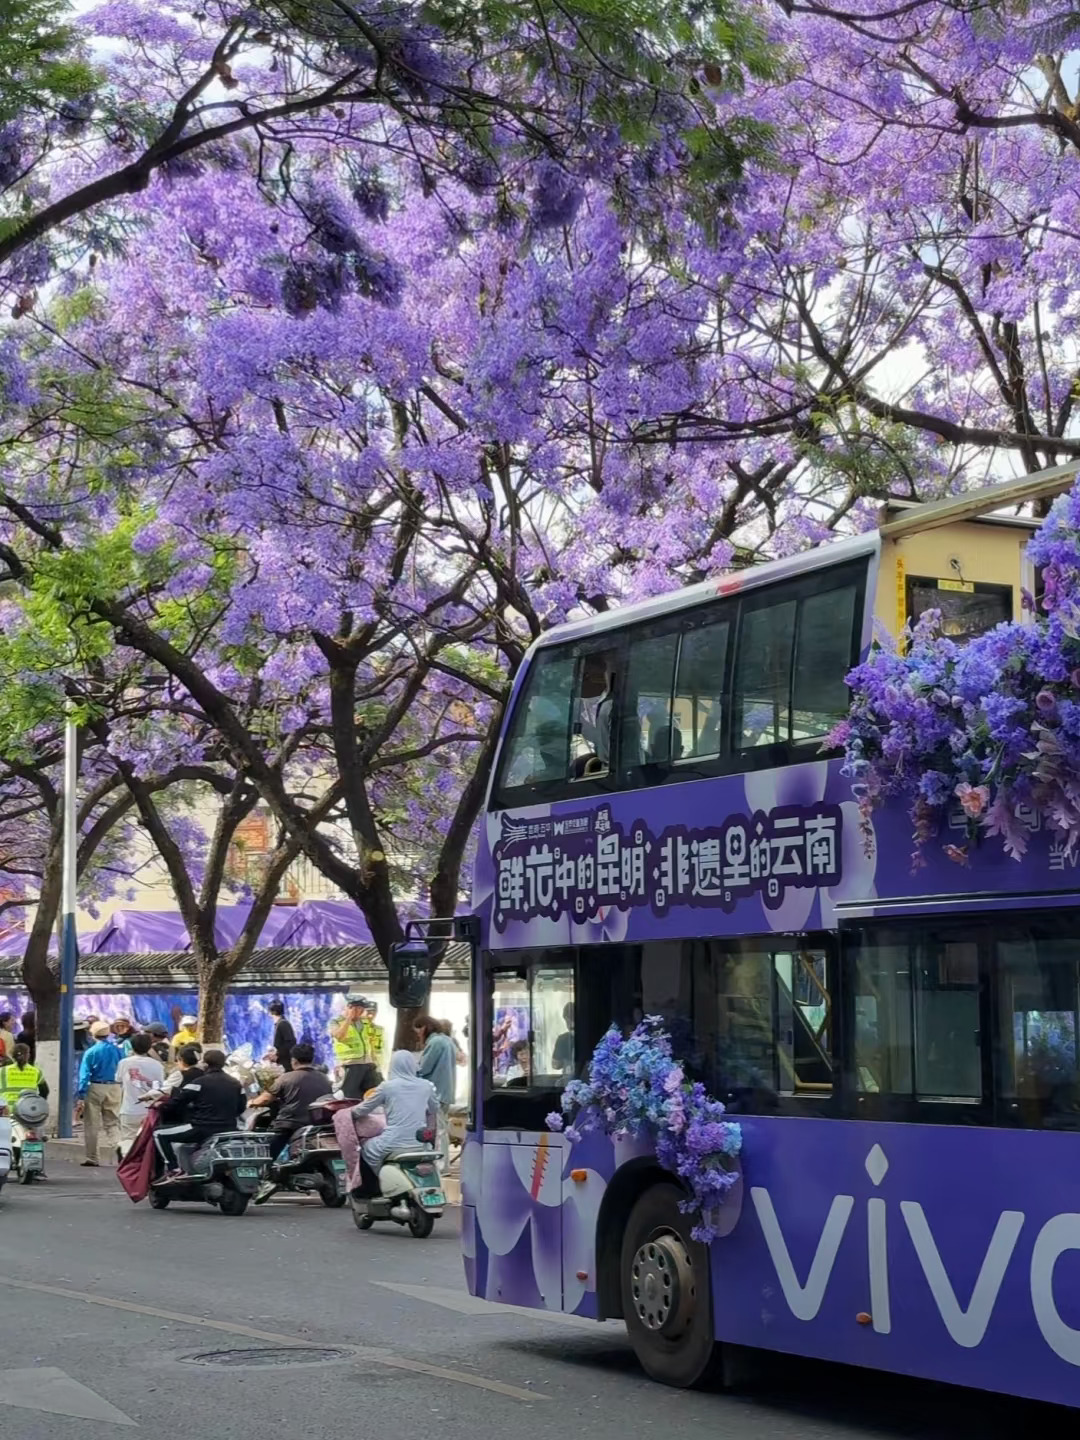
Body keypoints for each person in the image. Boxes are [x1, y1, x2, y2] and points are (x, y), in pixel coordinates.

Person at [352, 1050, 438, 1199]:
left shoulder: (387, 1087)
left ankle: (372, 1189)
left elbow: (362, 1109)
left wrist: (347, 1113)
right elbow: (433, 1110)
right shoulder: (426, 1086)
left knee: (365, 1149)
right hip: (420, 1143)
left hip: (393, 1141)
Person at [154, 1047, 246, 1176]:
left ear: (205, 1064)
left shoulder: (199, 1082)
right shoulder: (236, 1083)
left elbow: (179, 1101)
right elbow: (241, 1107)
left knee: (159, 1133)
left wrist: (161, 1105)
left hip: (201, 1128)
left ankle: (173, 1168)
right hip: (229, 1128)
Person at [76, 1020, 123, 1166]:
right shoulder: (117, 1050)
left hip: (96, 1087)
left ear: (93, 1034)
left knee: (92, 1124)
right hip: (114, 1087)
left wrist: (81, 1094)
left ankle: (92, 1157)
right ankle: (120, 1149)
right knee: (113, 1123)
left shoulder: (91, 1052)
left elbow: (84, 1075)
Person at [416, 1016, 456, 1173]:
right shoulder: (447, 1040)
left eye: (418, 1031)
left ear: (424, 1027)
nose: (418, 1035)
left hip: (436, 1093)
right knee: (441, 1130)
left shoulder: (435, 1042)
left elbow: (424, 1068)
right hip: (445, 1092)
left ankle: (441, 1166)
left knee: (438, 1131)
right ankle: (443, 1164)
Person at [116, 1032, 165, 1158]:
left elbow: (118, 1079)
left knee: (128, 1140)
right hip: (150, 1110)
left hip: (129, 1109)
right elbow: (160, 1086)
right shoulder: (157, 1065)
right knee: (148, 1142)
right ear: (149, 1047)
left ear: (131, 1046)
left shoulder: (124, 1063)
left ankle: (128, 1167)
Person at [330, 994, 382, 1098]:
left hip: (367, 1063)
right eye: (359, 1009)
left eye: (363, 1009)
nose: (362, 1012)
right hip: (349, 1065)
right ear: (350, 1007)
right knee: (349, 1096)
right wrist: (349, 1018)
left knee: (374, 1093)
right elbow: (339, 1036)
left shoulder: (364, 1022)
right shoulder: (336, 1022)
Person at [0, 1043, 48, 1108]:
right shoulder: (36, 1071)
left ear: (13, 1056)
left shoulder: (2, 1071)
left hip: (7, 1109)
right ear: (28, 1055)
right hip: (29, 1109)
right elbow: (45, 1091)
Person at [268, 1001, 296, 1073]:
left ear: (272, 1012)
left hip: (286, 1063)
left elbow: (291, 1043)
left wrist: (277, 1054)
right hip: (282, 1061)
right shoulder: (280, 1024)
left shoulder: (283, 1024)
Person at [552, 1003, 575, 1075]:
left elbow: (555, 1065)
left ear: (567, 1019)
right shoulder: (590, 1037)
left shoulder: (563, 1039)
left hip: (569, 1081)